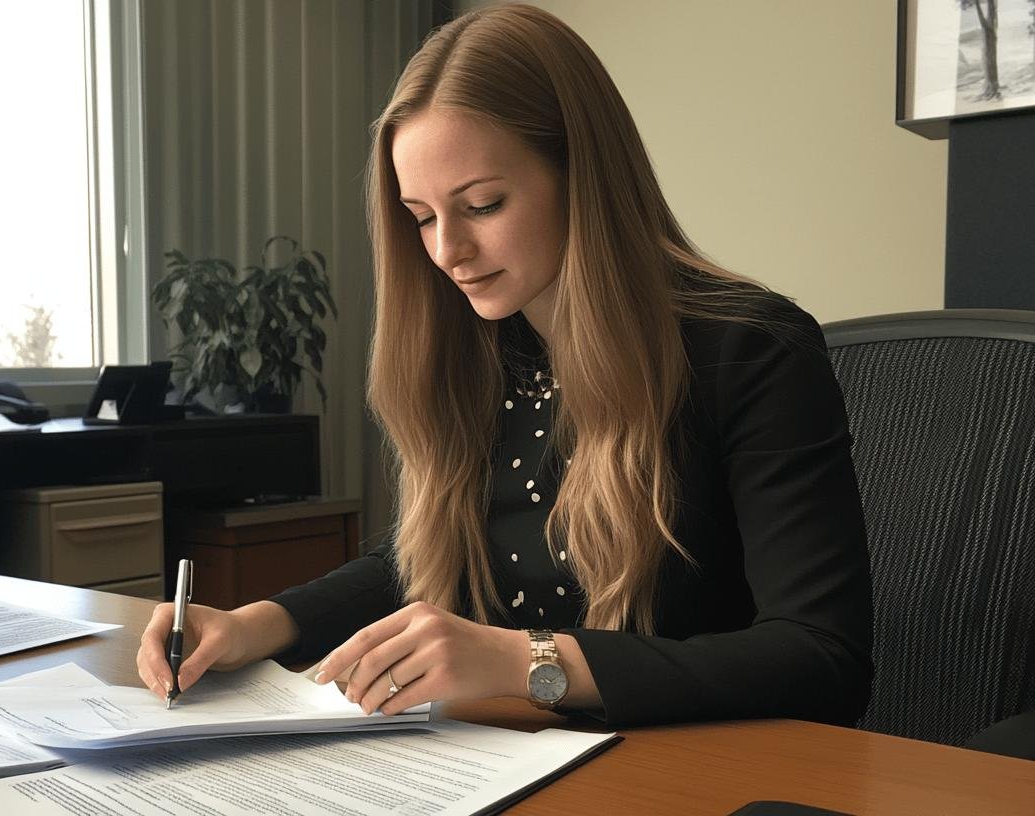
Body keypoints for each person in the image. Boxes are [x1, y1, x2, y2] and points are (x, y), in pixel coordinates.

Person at [137, 3, 872, 728]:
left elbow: (821, 658)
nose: (446, 251)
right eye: (422, 217)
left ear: (582, 177)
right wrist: (255, 625)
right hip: (508, 759)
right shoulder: (488, 349)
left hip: (691, 771)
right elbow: (430, 555)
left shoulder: (754, 351)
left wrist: (526, 662)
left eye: (482, 205)